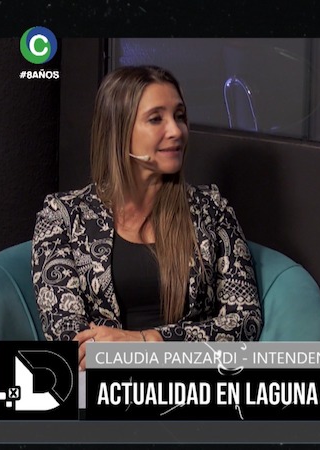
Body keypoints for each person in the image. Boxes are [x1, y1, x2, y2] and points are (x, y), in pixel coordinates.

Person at [32, 66, 263, 368]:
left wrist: (148, 341)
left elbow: (244, 320)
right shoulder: (61, 216)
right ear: (118, 130)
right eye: (156, 119)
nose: (176, 131)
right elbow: (65, 331)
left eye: (179, 116)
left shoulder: (212, 210)